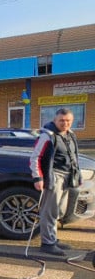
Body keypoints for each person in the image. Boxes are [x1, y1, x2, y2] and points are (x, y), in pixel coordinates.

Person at [29, 108, 82, 256]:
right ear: (55, 121)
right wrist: (38, 178)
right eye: (61, 121)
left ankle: (52, 238)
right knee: (50, 211)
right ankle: (47, 243)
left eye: (68, 121)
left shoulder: (70, 135)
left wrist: (78, 178)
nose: (65, 123)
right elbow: (35, 158)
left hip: (68, 177)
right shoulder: (47, 136)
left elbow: (74, 158)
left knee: (59, 211)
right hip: (54, 177)